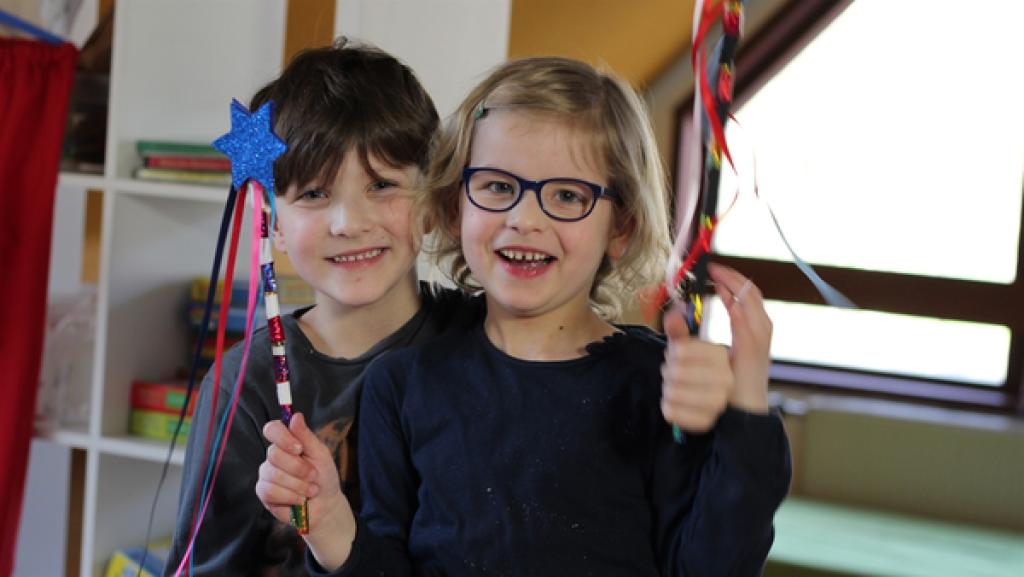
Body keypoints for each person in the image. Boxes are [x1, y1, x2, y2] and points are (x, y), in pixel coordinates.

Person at [257, 56, 791, 576]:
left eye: (566, 195)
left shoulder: (660, 386)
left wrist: (744, 405)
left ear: (620, 227)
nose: (525, 219)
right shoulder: (399, 388)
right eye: (497, 186)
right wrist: (330, 527)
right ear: (453, 205)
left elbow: (714, 565)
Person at [163, 39, 479, 577]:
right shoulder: (245, 385)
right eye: (314, 194)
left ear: (431, 203)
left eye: (382, 185)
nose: (348, 222)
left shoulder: (485, 339)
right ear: (273, 225)